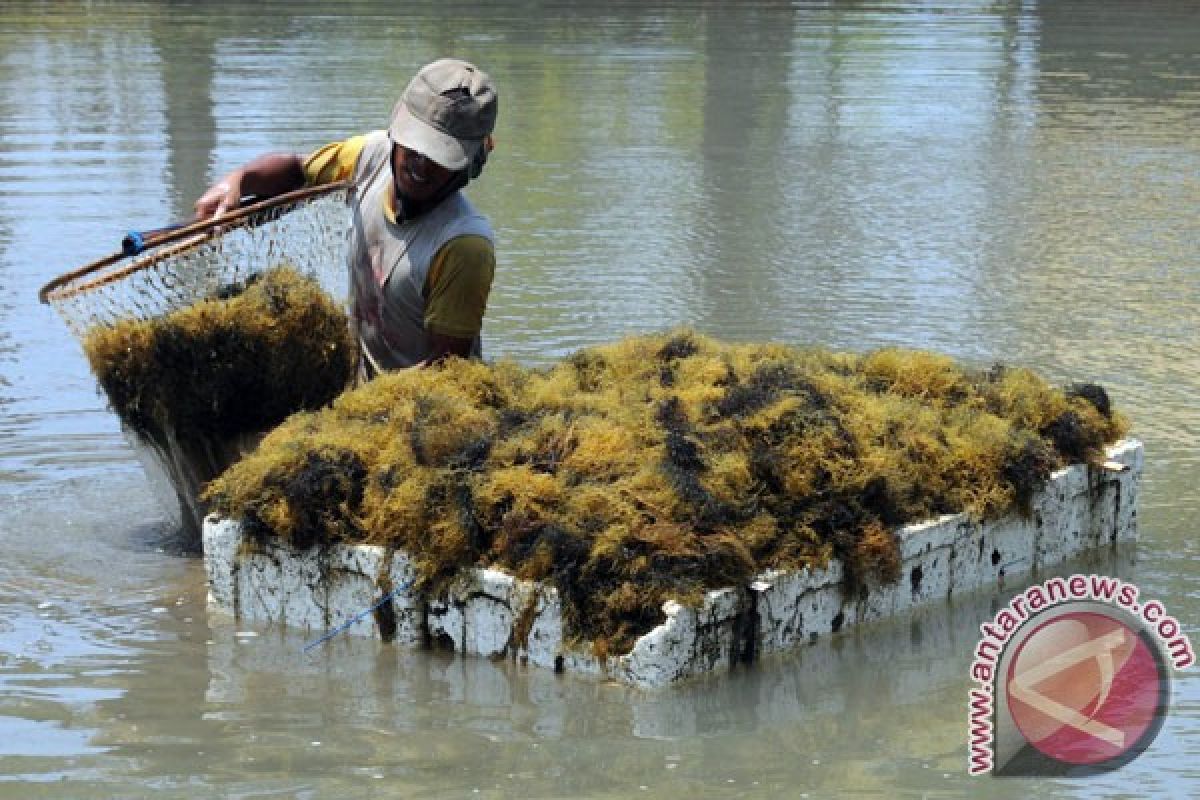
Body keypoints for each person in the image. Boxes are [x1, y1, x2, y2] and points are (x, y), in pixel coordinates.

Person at [194, 58, 499, 376]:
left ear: (469, 165)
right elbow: (298, 172)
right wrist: (237, 182)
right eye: (414, 148)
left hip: (413, 408)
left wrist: (356, 408)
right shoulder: (371, 156)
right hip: (361, 378)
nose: (420, 165)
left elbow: (447, 370)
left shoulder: (463, 246)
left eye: (439, 157)